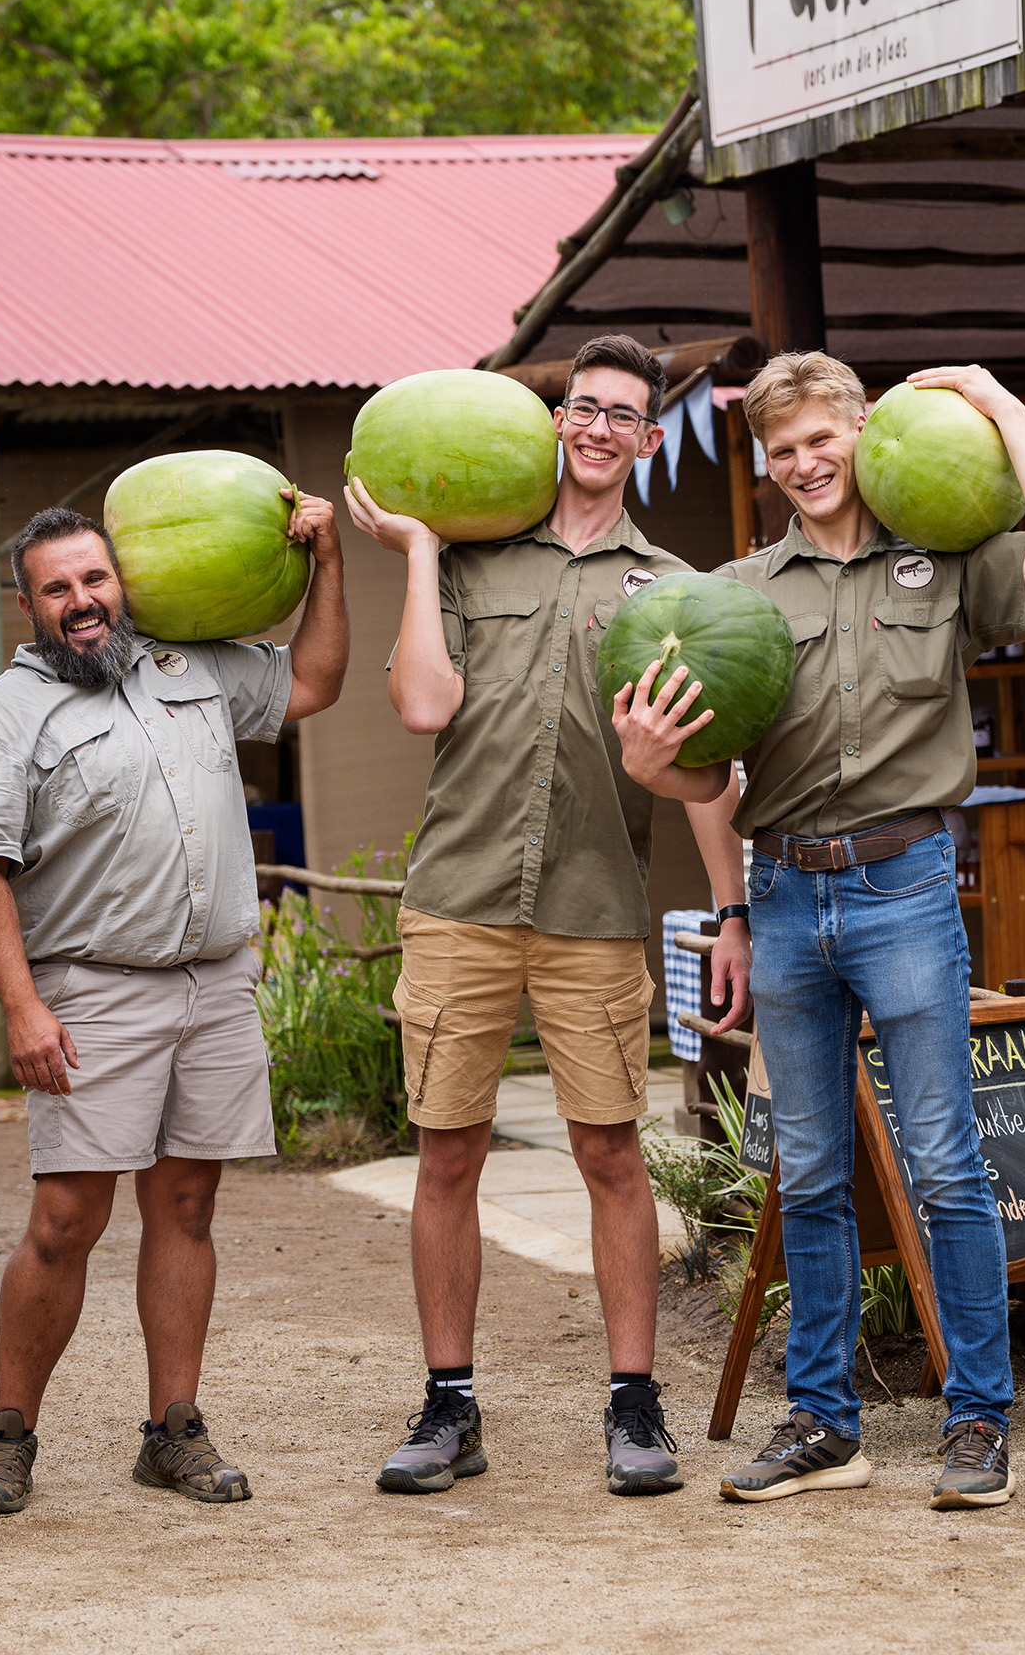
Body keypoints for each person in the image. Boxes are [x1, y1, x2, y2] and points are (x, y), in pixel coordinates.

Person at [616, 353, 1025, 1512]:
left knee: (946, 1164)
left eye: (823, 437)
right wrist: (651, 763)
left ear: (863, 433)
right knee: (812, 1168)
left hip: (906, 886)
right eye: (783, 449)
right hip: (782, 893)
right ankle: (826, 1422)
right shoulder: (737, 593)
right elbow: (706, 770)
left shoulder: (945, 560)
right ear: (767, 463)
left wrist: (988, 398)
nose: (806, 463)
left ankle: (977, 1418)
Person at [345, 336, 742, 1498]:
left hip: (595, 906)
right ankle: (448, 1404)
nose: (599, 427)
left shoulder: (671, 588)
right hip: (459, 899)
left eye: (624, 413)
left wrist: (733, 912)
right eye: (582, 406)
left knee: (611, 1153)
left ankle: (634, 1406)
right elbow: (422, 701)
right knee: (448, 1153)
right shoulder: (469, 564)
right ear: (556, 419)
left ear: (652, 439)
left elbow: (711, 774)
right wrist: (419, 550)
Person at [0, 490, 348, 1516]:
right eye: (58, 587)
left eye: (94, 577)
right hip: (91, 987)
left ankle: (174, 1430)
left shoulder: (191, 665)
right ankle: (7, 1433)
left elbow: (313, 679)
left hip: (214, 985)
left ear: (120, 580)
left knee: (186, 1203)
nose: (82, 600)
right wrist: (25, 1009)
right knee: (66, 1217)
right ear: (26, 602)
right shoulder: (6, 712)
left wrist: (330, 563)